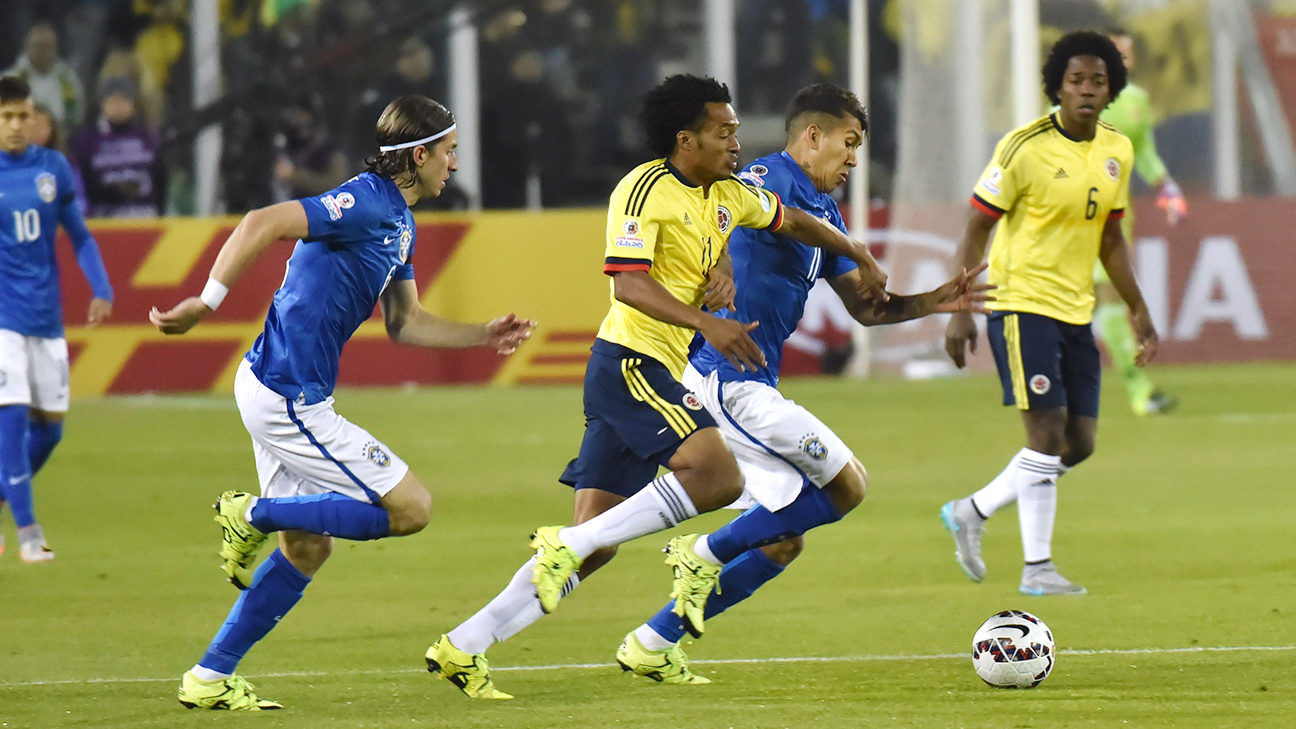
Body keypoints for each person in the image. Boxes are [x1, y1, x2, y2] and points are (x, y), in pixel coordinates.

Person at [425, 74, 890, 700]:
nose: (735, 141)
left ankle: (463, 645)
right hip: (630, 364)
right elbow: (629, 285)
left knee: (594, 549)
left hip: (656, 370)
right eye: (723, 131)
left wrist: (854, 249)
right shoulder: (643, 188)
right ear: (685, 137)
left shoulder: (723, 194)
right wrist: (708, 325)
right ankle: (589, 548)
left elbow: (792, 223)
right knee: (714, 474)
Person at [150, 95, 535, 711]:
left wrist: (481, 335)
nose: (454, 165)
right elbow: (260, 221)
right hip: (288, 397)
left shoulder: (401, 223)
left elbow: (404, 323)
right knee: (411, 508)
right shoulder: (362, 202)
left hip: (278, 388)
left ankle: (209, 675)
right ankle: (253, 515)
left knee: (308, 547)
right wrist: (207, 301)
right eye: (449, 151)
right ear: (419, 154)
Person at [616, 83, 994, 684]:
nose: (852, 160)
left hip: (751, 380)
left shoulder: (828, 213)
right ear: (812, 136)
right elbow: (776, 220)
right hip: (725, 378)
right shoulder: (770, 175)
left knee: (782, 540)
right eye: (848, 144)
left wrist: (935, 302)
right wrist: (854, 247)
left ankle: (653, 639)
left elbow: (868, 310)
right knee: (847, 486)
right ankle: (702, 552)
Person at [941, 31, 1159, 596]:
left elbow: (1111, 238)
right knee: (1047, 432)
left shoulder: (1117, 149)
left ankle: (974, 509)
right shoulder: (1023, 147)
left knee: (1078, 443)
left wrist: (1138, 307)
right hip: (1019, 303)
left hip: (1074, 308)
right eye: (1076, 81)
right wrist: (960, 306)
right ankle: (1037, 568)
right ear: (1057, 86)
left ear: (1113, 88)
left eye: (1098, 82)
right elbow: (976, 227)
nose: (1087, 91)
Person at [0, 75, 113, 563]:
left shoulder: (53, 169)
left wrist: (102, 286)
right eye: (6, 117)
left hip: (46, 319)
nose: (16, 125)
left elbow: (80, 236)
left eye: (23, 115)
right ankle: (27, 531)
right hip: (3, 319)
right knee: (12, 417)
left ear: (36, 118)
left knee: (50, 430)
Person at [1096, 27, 1184, 415]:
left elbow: (1144, 151)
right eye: (1117, 50)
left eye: (1127, 51)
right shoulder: (1069, 100)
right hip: (1067, 215)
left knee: (1109, 300)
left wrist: (1167, 187)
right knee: (1094, 303)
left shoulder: (1136, 101)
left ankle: (1140, 391)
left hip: (1115, 215)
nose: (1124, 58)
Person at [67, 75, 163, 218]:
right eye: (113, 101)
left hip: (144, 215)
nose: (118, 107)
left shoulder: (146, 137)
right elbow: (82, 181)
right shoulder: (87, 139)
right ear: (103, 104)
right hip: (103, 217)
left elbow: (160, 177)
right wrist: (112, 191)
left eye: (123, 101)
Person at [3, 24, 84, 131]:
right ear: (27, 47)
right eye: (39, 46)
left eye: (48, 46)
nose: (44, 51)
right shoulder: (10, 80)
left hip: (62, 139)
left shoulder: (69, 79)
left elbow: (77, 116)